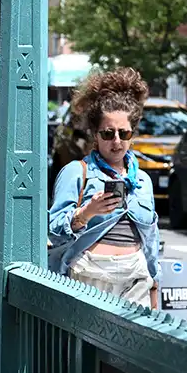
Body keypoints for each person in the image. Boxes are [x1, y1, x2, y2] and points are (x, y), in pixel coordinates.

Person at [48, 68, 161, 308]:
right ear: (95, 134)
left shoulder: (142, 180)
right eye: (108, 133)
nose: (117, 141)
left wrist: (154, 284)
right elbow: (53, 231)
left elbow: (151, 238)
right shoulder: (76, 172)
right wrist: (86, 213)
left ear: (132, 134)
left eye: (124, 133)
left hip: (135, 277)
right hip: (89, 277)